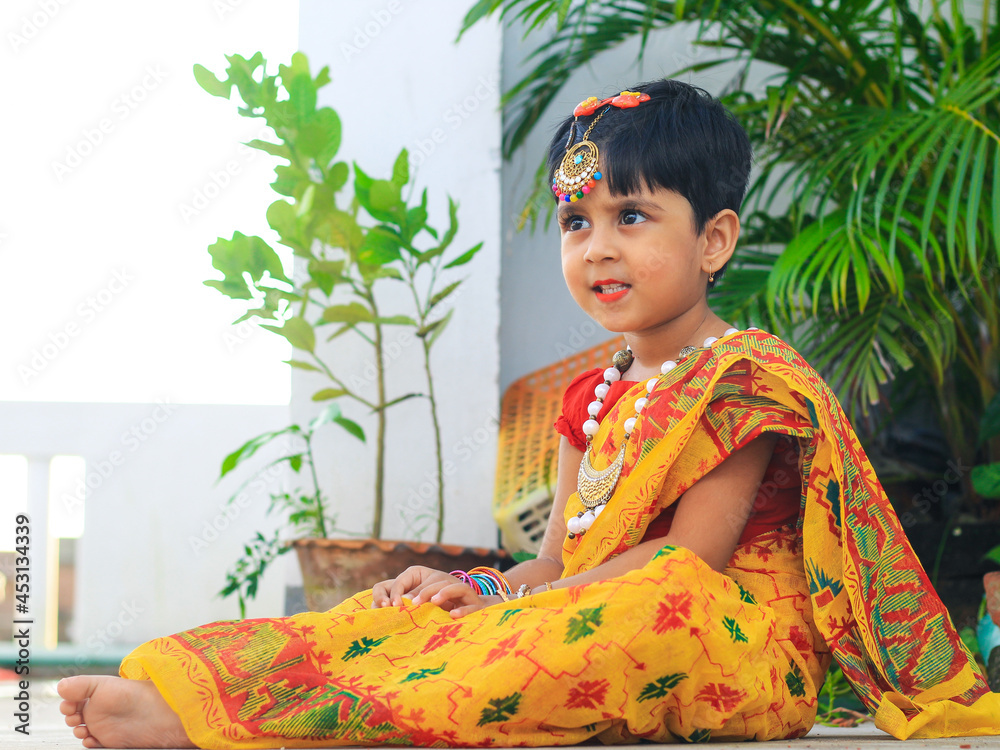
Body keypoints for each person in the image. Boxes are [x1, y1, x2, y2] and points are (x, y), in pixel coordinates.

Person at [58, 80, 1000, 749]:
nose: (598, 247)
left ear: (713, 239)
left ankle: (243, 728)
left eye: (631, 217)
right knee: (411, 610)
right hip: (590, 601)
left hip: (717, 631)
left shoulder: (742, 378)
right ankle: (193, 691)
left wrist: (527, 606)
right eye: (576, 222)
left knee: (620, 615)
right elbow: (555, 562)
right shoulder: (591, 394)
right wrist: (487, 593)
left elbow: (686, 564)